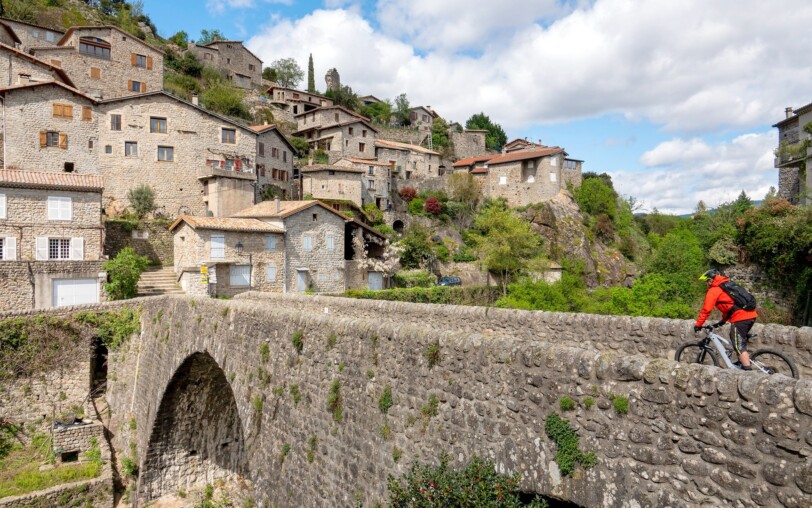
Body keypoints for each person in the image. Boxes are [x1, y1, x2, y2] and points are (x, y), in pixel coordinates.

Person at [694, 268, 758, 370]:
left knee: (738, 345)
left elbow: (706, 310)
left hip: (741, 317)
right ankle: (742, 364)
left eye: (706, 281)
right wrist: (723, 321)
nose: (706, 284)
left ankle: (748, 372)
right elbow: (729, 307)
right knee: (737, 340)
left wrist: (698, 324)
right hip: (751, 315)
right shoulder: (726, 286)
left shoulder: (714, 290)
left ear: (710, 280)